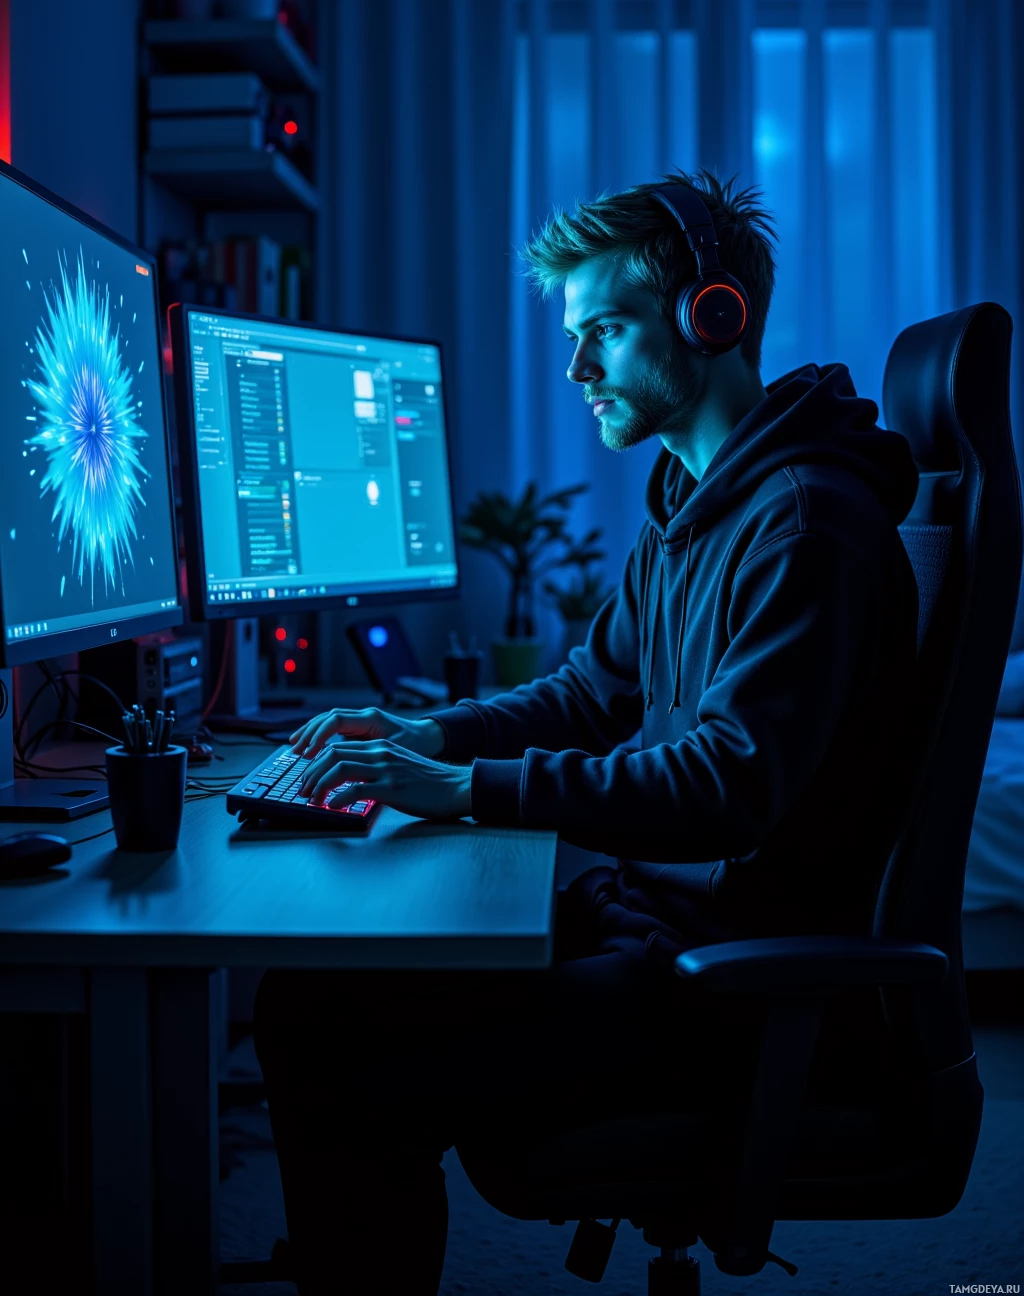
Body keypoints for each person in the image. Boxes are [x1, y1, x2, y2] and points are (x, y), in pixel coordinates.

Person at [253, 167, 920, 1295]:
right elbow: (585, 693)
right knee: (323, 988)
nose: (576, 369)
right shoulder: (693, 500)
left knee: (335, 1041)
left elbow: (725, 785)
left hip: (731, 985)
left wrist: (467, 792)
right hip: (658, 928)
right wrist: (421, 735)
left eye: (603, 329)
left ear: (714, 317)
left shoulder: (804, 524)